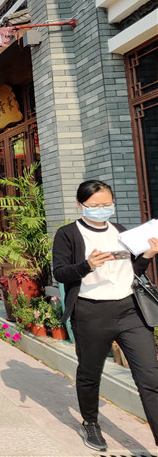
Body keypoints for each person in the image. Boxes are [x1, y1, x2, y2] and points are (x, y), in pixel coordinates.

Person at [52, 180, 158, 452]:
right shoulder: (68, 234)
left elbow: (132, 271)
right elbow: (60, 273)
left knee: (150, 377)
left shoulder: (120, 231)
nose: (102, 209)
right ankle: (90, 423)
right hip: (91, 313)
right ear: (80, 205)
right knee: (90, 373)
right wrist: (86, 265)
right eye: (95, 205)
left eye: (107, 204)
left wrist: (147, 255)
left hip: (130, 311)